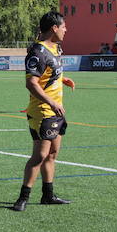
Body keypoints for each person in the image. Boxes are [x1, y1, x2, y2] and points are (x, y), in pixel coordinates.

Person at [11, 11, 76, 212]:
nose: (66, 29)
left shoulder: (56, 48)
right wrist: (51, 102)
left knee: (53, 154)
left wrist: (62, 80)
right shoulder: (38, 52)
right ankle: (23, 197)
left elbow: (48, 75)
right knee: (39, 156)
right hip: (43, 111)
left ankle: (48, 195)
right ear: (54, 28)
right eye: (63, 26)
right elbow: (31, 83)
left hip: (57, 110)